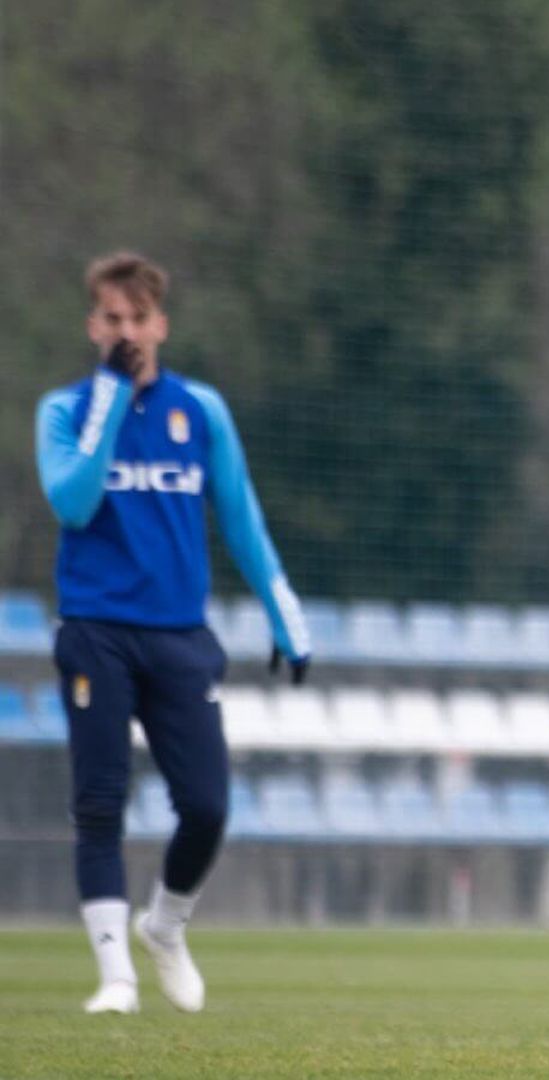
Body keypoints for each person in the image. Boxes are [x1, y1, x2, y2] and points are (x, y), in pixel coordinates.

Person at [34, 252, 313, 1016]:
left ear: (161, 324)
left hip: (179, 636)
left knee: (209, 804)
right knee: (100, 805)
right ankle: (116, 979)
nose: (127, 333)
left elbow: (240, 516)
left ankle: (165, 925)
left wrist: (284, 614)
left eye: (138, 320)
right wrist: (111, 401)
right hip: (96, 631)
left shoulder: (203, 411)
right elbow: (73, 502)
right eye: (112, 320)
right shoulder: (63, 411)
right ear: (94, 326)